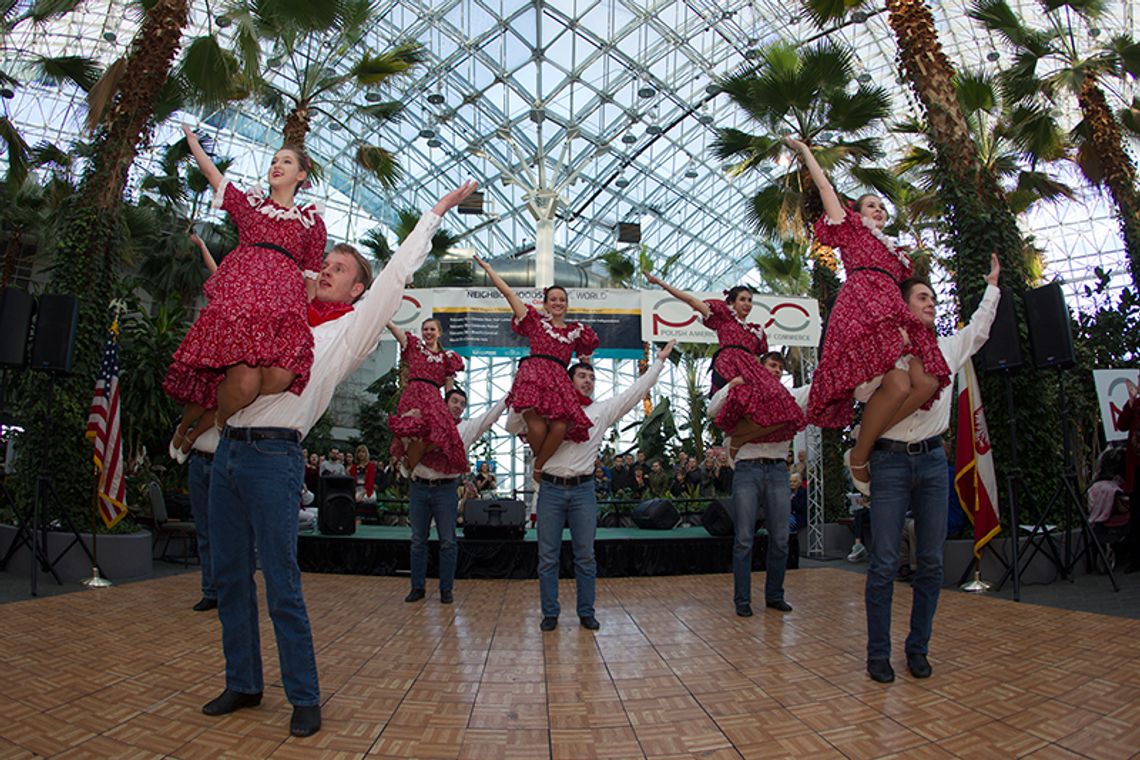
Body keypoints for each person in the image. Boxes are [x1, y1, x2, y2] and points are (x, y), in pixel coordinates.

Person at [200, 181, 477, 737]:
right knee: (229, 576)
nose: (328, 269)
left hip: (275, 455)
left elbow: (396, 273)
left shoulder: (351, 330)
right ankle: (244, 682)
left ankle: (304, 695)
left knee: (280, 579)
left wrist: (436, 214)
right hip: (228, 451)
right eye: (326, 262)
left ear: (357, 290)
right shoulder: (281, 307)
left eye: (342, 267)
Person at [863, 253, 1000, 684]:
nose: (931, 304)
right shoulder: (883, 353)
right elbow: (862, 396)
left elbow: (979, 328)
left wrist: (992, 287)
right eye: (922, 297)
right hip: (887, 462)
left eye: (934, 300)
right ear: (903, 305)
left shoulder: (947, 349)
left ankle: (917, 649)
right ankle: (878, 654)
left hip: (934, 463)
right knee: (884, 561)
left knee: (931, 562)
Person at [787, 137, 951, 495]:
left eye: (881, 206)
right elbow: (825, 186)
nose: (878, 210)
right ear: (857, 212)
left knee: (927, 382)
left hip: (892, 307)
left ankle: (865, 436)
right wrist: (805, 151)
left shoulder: (897, 253)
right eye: (871, 205)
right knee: (899, 384)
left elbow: (911, 291)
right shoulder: (850, 228)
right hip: (863, 306)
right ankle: (860, 455)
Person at [165, 125, 327, 460]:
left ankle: (213, 426)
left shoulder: (312, 224)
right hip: (243, 297)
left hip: (280, 307)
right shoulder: (251, 207)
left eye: (285, 161)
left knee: (264, 380)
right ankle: (185, 430)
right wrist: (193, 143)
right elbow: (213, 175)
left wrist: (305, 323)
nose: (276, 165)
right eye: (273, 161)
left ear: (301, 174)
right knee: (237, 380)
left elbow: (310, 280)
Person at [509, 341, 676, 631]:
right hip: (550, 488)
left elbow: (633, 394)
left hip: (584, 490)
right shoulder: (547, 408)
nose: (588, 381)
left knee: (585, 555)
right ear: (568, 379)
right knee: (547, 555)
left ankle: (586, 611)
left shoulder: (600, 411)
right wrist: (522, 394)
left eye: (592, 378)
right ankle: (550, 613)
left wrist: (659, 362)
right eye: (582, 376)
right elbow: (513, 425)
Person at [643, 272, 805, 457]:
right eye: (742, 299)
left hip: (751, 369)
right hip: (729, 365)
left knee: (784, 406)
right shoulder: (724, 318)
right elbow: (692, 301)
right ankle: (733, 440)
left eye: (750, 300)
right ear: (732, 303)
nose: (747, 304)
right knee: (740, 399)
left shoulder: (756, 331)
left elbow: (758, 357)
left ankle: (739, 440)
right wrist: (659, 282)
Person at [473, 257, 599, 478]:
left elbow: (585, 359)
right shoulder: (535, 322)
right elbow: (509, 294)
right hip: (535, 376)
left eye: (562, 299)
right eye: (553, 299)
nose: (558, 303)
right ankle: (541, 467)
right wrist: (490, 270)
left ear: (567, 304)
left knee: (560, 428)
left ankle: (539, 466)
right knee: (539, 428)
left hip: (559, 380)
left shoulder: (577, 331)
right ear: (546, 303)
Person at [709, 351, 809, 617]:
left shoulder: (791, 397)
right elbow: (712, 409)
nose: (776, 370)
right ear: (759, 368)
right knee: (743, 538)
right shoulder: (742, 394)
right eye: (771, 365)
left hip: (777, 469)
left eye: (780, 368)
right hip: (747, 469)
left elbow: (816, 389)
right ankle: (742, 600)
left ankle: (775, 595)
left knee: (780, 538)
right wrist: (732, 384)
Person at [405, 388, 507, 604]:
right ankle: (417, 587)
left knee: (448, 541)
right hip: (420, 487)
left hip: (446, 489)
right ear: (445, 402)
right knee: (417, 541)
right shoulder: (426, 421)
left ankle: (446, 590)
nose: (458, 406)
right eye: (454, 401)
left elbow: (490, 416)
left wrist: (510, 394)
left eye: (462, 404)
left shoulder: (467, 428)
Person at [387, 318, 465, 473]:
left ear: (439, 333)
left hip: (433, 399)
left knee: (440, 433)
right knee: (413, 430)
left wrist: (448, 408)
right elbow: (399, 334)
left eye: (432, 329)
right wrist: (386, 321)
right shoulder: (415, 347)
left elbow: (449, 387)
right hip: (413, 395)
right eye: (425, 329)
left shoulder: (447, 358)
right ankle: (409, 464)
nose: (428, 332)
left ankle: (412, 464)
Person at [188, 427, 219, 612]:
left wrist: (183, 435)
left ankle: (227, 591)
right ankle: (210, 591)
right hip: (198, 458)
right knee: (204, 531)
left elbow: (211, 410)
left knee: (224, 532)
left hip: (222, 458)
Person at [1114, 378, 1140, 573]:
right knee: (1136, 517)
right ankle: (1136, 559)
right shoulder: (1135, 405)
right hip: (1136, 470)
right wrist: (1130, 403)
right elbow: (1121, 425)